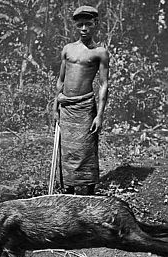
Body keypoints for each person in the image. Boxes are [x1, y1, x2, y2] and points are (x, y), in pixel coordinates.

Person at [53, 5, 109, 195]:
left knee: (87, 149)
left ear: (96, 24)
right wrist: (55, 105)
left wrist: (99, 116)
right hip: (66, 106)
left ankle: (89, 193)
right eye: (80, 25)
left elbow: (103, 85)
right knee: (67, 150)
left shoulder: (100, 52)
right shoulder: (68, 49)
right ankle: (69, 191)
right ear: (75, 26)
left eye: (88, 24)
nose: (84, 29)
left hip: (85, 107)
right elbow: (61, 79)